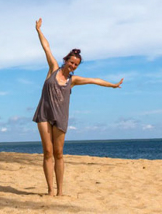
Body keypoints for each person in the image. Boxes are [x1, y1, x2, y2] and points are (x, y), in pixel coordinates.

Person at [32, 18, 123, 196]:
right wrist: (38, 31)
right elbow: (46, 47)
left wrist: (112, 85)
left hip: (60, 118)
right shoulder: (53, 69)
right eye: (71, 62)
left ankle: (60, 191)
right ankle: (50, 190)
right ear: (66, 60)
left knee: (58, 153)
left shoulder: (72, 80)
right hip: (44, 113)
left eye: (76, 64)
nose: (72, 65)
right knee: (47, 152)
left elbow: (94, 80)